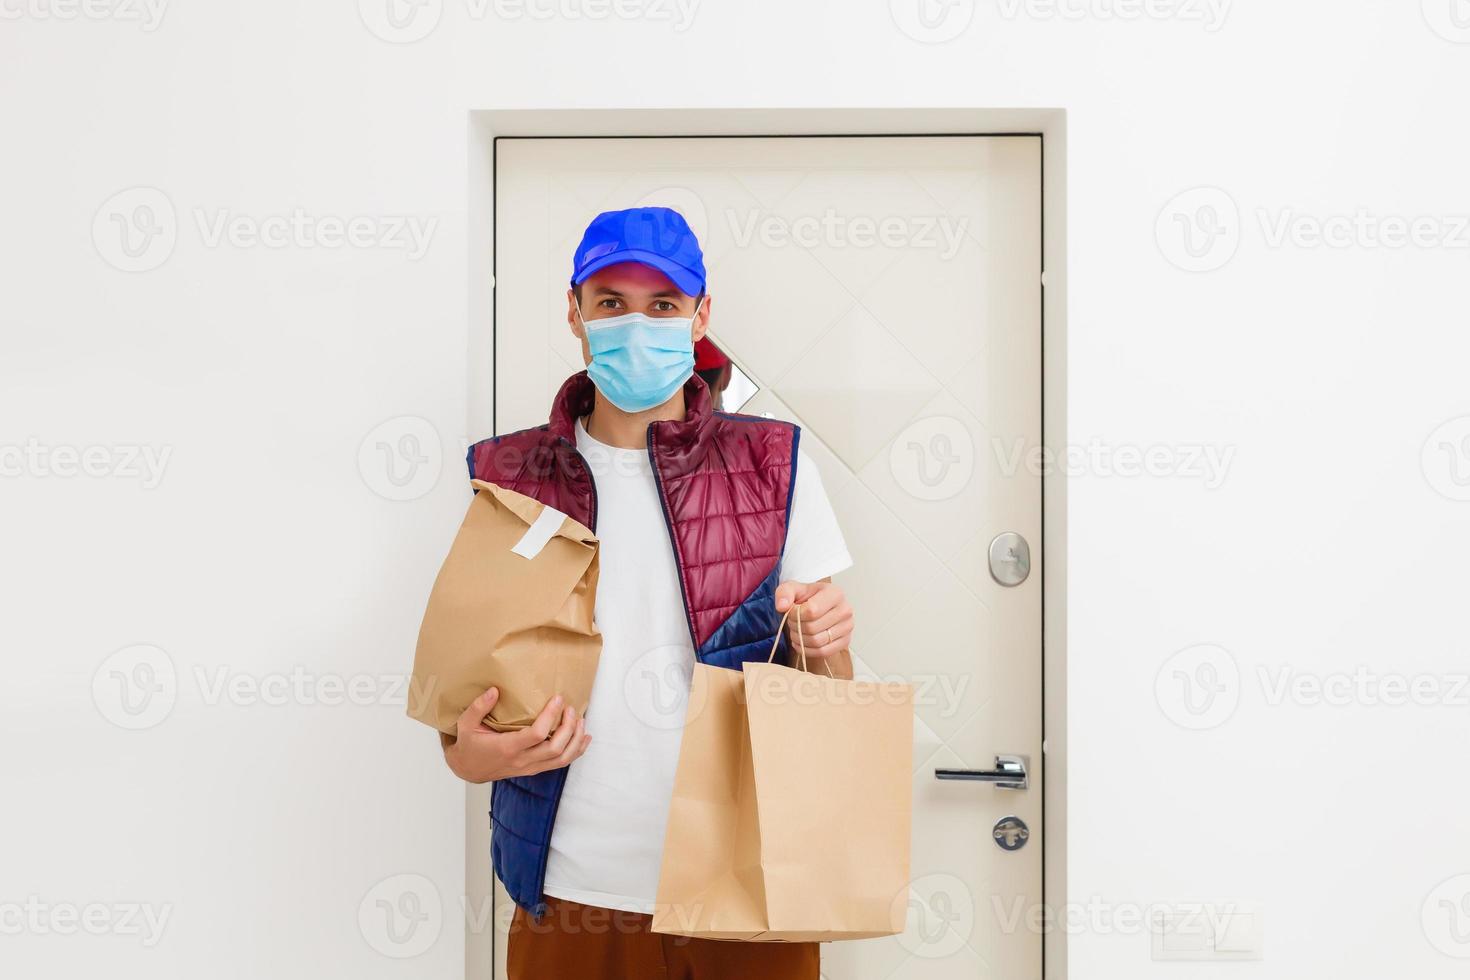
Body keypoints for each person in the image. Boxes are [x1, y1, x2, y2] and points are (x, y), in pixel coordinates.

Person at [441, 206, 855, 980]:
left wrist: (825, 640)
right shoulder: (509, 478)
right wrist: (468, 755)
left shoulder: (775, 462)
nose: (638, 324)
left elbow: (827, 682)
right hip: (571, 895)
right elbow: (466, 705)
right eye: (611, 303)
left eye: (663, 305)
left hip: (750, 888)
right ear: (575, 312)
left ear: (702, 315)